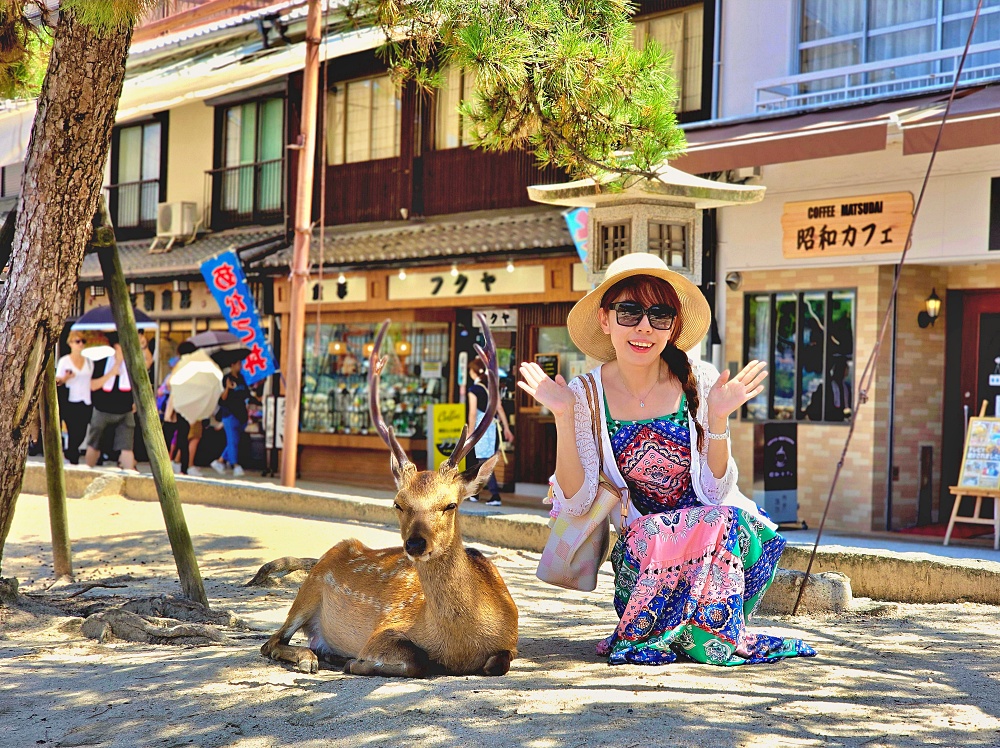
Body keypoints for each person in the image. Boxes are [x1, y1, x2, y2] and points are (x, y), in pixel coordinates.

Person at [518, 253, 815, 666]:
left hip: (717, 554)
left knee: (723, 518)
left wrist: (717, 417)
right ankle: (684, 634)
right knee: (677, 528)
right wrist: (564, 417)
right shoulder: (584, 394)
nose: (644, 327)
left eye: (659, 314)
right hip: (645, 559)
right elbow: (576, 502)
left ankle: (706, 634)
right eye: (629, 311)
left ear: (673, 326)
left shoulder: (700, 379)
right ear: (605, 319)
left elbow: (716, 491)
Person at [466, 357, 514, 506]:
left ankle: (495, 495)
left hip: (481, 428)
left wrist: (470, 432)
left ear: (474, 372)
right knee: (483, 460)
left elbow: (473, 413)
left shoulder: (474, 390)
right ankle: (475, 493)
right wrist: (506, 428)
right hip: (492, 428)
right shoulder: (491, 387)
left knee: (484, 461)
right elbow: (499, 408)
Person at [85, 332, 136, 471]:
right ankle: (87, 470)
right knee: (94, 444)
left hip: (125, 410)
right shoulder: (102, 362)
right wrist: (113, 370)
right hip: (102, 408)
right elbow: (93, 385)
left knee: (126, 446)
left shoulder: (132, 363)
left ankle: (129, 474)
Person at [161, 341, 201, 476]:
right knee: (183, 437)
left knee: (168, 436)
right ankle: (184, 468)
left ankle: (164, 465)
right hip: (186, 405)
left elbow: (169, 383)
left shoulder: (180, 366)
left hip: (176, 404)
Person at [55, 333, 94, 464]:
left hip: (86, 400)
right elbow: (58, 380)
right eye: (78, 341)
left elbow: (91, 380)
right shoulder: (64, 361)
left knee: (81, 431)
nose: (81, 344)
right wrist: (66, 378)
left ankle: (71, 452)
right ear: (70, 343)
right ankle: (73, 455)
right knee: (72, 429)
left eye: (83, 341)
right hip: (71, 400)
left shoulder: (89, 361)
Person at [211, 360, 250, 477]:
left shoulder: (241, 378)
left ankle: (220, 461)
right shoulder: (226, 378)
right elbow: (222, 399)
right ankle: (235, 465)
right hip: (229, 414)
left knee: (234, 441)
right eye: (238, 364)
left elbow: (246, 394)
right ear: (232, 365)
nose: (240, 366)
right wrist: (227, 388)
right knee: (232, 440)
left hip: (241, 413)